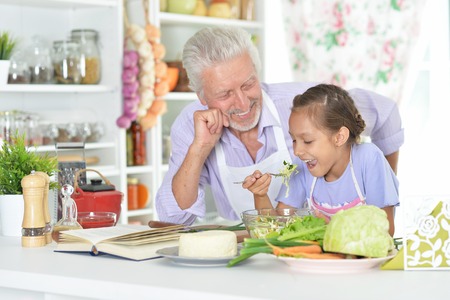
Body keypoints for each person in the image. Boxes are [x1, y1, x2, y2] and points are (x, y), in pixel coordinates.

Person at [155, 27, 404, 226]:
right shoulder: (191, 127)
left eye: (248, 84)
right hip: (248, 250)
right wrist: (201, 148)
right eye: (225, 94)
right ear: (202, 97)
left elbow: (386, 113)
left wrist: (380, 188)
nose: (242, 103)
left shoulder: (305, 105)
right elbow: (172, 219)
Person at [246, 84, 399, 236]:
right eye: (293, 140)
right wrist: (260, 195)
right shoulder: (302, 167)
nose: (297, 151)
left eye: (307, 141)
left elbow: (386, 230)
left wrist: (331, 228)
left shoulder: (369, 159)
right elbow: (277, 226)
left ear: (339, 137)